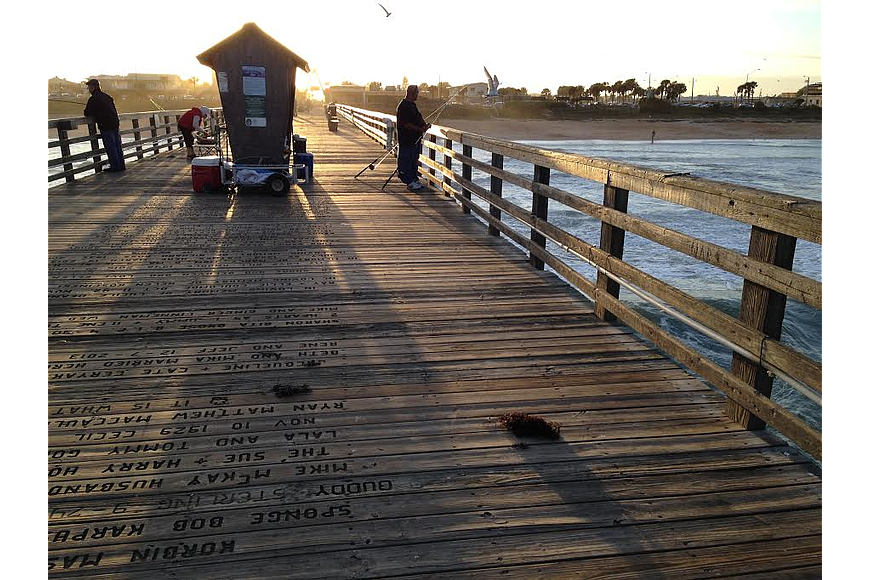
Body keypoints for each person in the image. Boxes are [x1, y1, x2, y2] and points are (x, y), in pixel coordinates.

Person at [84, 79, 125, 171]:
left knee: (110, 146)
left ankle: (115, 167)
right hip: (115, 123)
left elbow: (87, 113)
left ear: (94, 87)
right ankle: (121, 165)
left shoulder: (93, 98)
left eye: (90, 87)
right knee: (117, 146)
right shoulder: (107, 97)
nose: (89, 89)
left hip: (105, 125)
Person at [396, 85, 430, 191]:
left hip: (415, 140)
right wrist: (420, 129)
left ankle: (414, 179)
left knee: (414, 160)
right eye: (417, 93)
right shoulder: (403, 106)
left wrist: (425, 125)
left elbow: (418, 118)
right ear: (412, 93)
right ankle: (409, 181)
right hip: (407, 139)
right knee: (406, 160)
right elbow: (406, 124)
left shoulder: (412, 105)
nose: (418, 95)